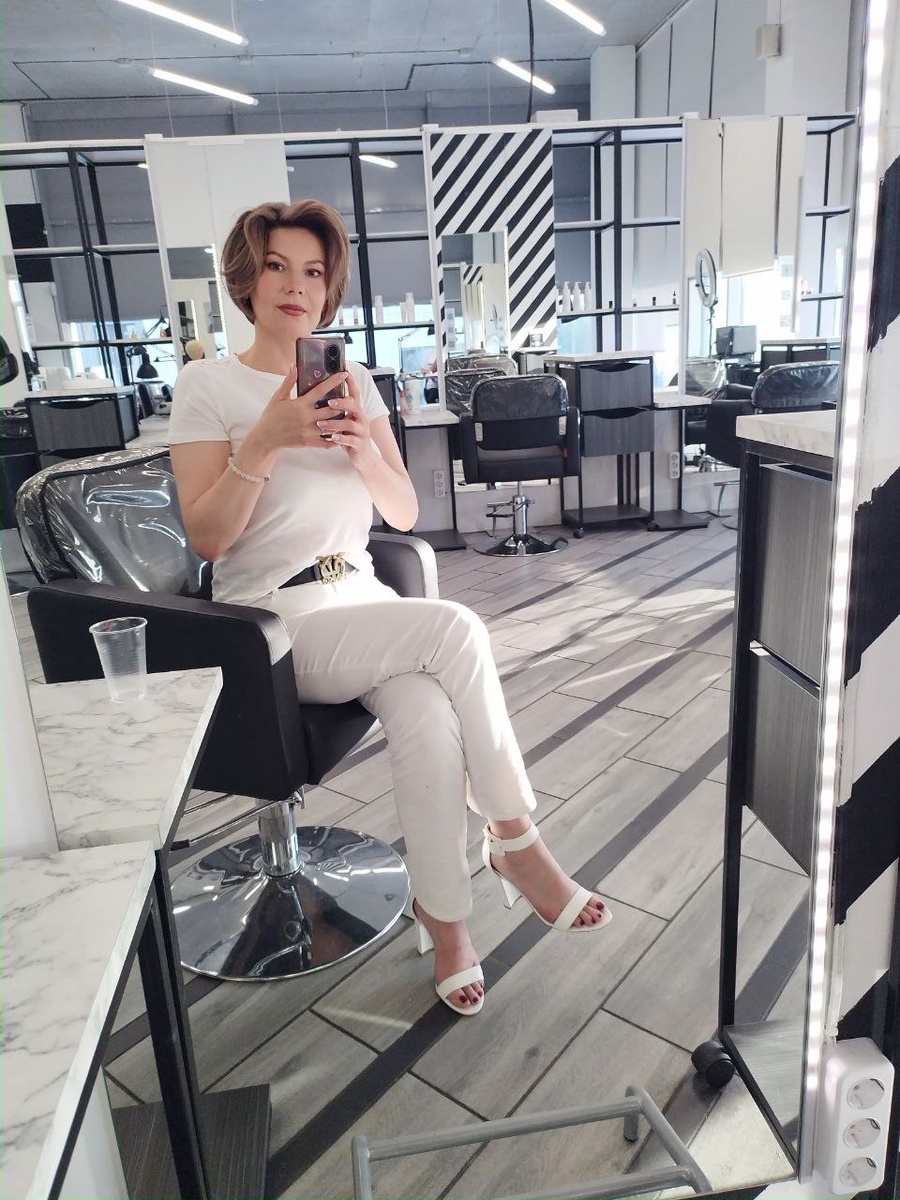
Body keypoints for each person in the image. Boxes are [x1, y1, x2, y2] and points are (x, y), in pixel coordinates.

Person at [167, 199, 611, 1016]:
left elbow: (403, 513)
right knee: (456, 627)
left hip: (361, 598)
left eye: (313, 272)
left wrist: (362, 449)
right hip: (273, 622)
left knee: (426, 715)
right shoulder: (208, 386)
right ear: (246, 279)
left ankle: (447, 922)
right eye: (278, 267)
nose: (297, 287)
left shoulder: (355, 381)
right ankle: (515, 838)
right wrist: (265, 440)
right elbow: (208, 540)